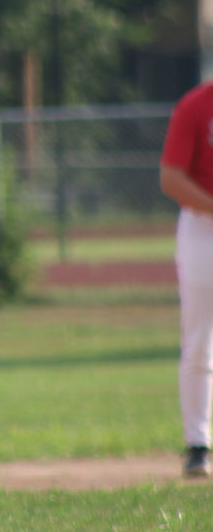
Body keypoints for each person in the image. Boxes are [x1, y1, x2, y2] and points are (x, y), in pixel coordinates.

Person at [160, 79, 213, 478]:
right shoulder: (195, 105)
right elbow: (171, 177)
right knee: (198, 340)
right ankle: (198, 444)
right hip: (203, 228)